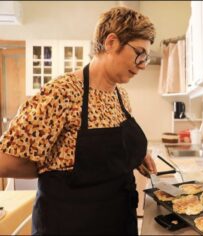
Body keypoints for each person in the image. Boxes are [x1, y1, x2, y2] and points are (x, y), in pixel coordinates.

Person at [0, 6, 157, 235]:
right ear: (111, 42)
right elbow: (4, 161)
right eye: (139, 54)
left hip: (119, 221)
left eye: (146, 57)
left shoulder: (120, 95)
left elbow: (108, 151)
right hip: (70, 225)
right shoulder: (62, 92)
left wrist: (135, 155)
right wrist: (49, 167)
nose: (143, 65)